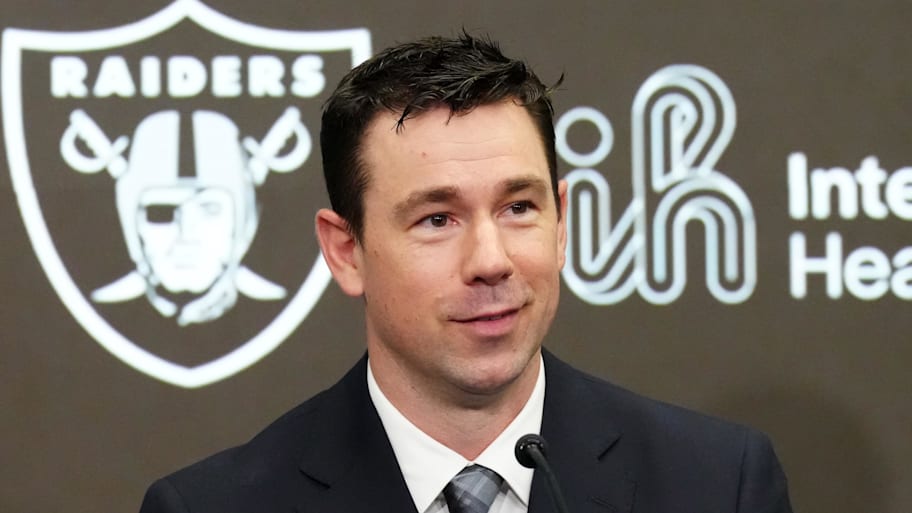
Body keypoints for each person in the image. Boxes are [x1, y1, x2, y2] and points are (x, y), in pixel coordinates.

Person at [139, 33, 792, 513]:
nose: (490, 261)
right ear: (345, 250)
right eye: (437, 219)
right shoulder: (214, 507)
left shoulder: (718, 485)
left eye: (518, 208)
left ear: (562, 222)